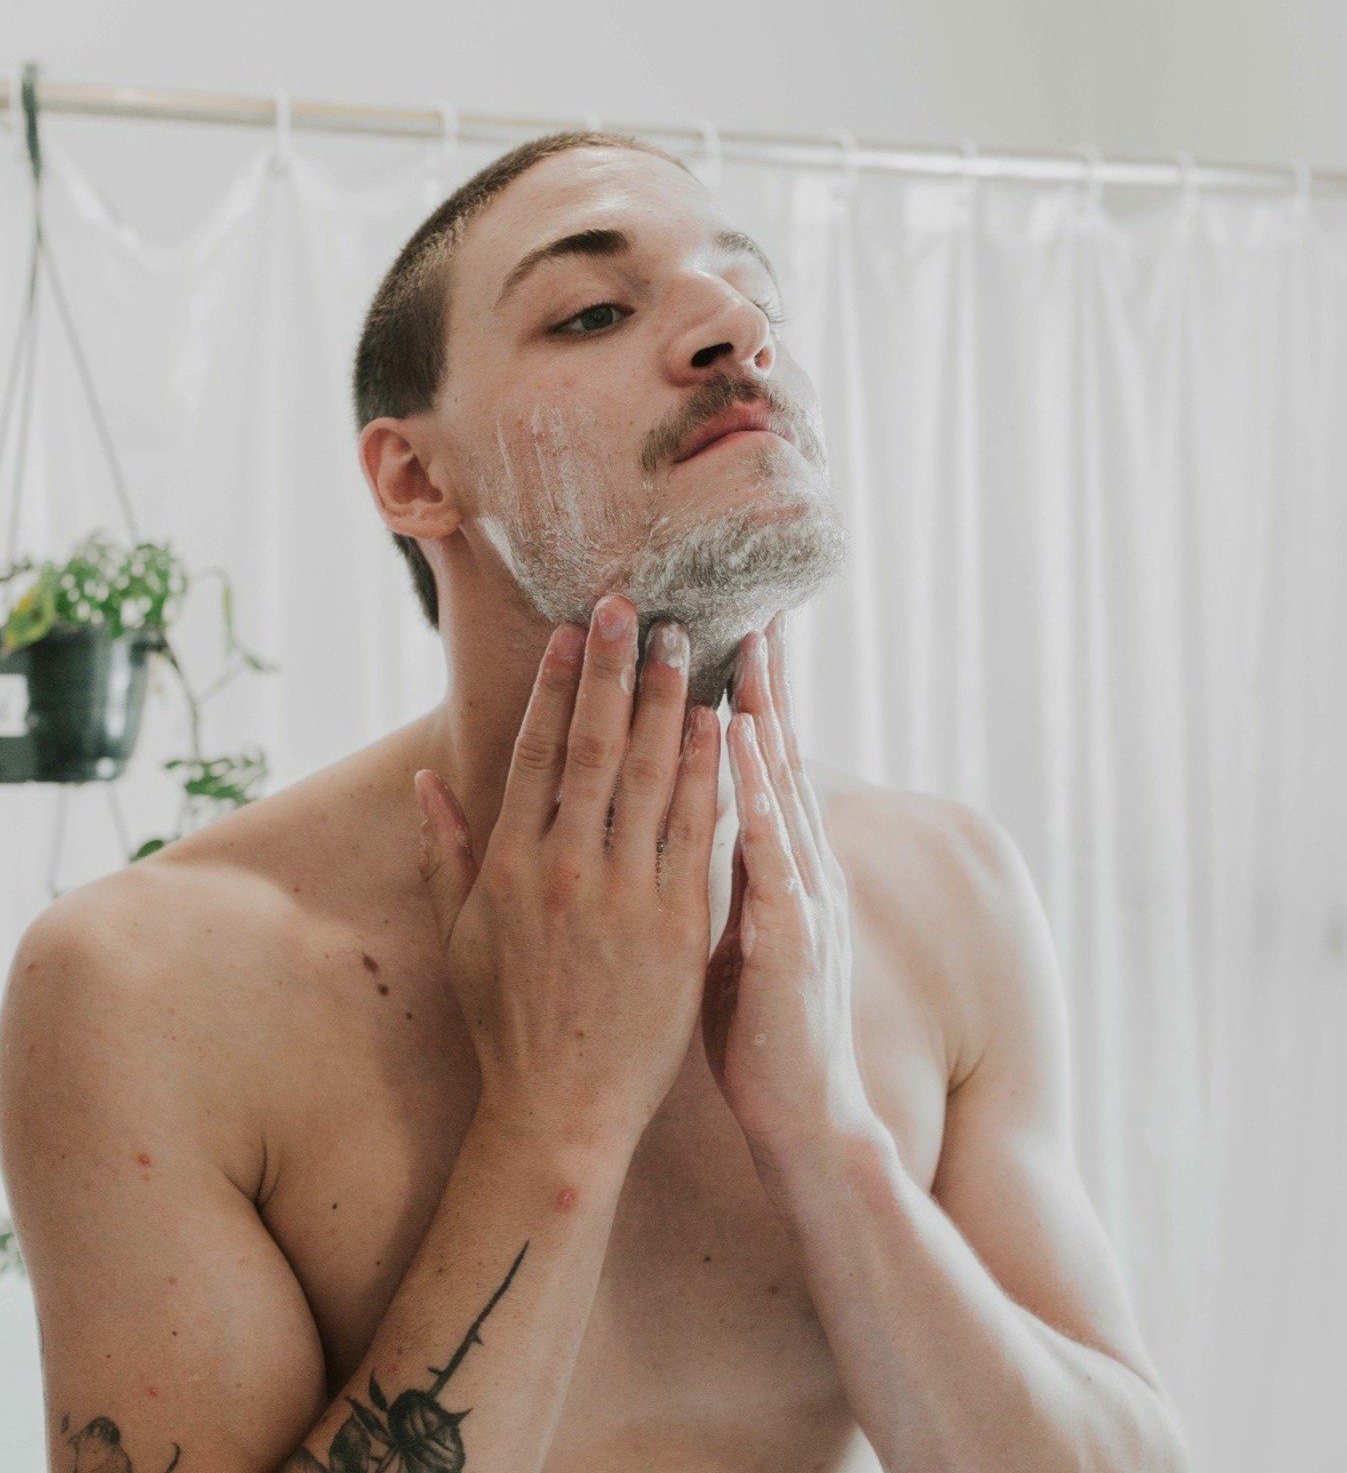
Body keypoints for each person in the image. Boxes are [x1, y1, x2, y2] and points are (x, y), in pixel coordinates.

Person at [0, 131, 1189, 1472]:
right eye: (595, 311)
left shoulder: (947, 891)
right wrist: (553, 1122)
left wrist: (828, 1137)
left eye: (754, 301)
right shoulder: (149, 982)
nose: (736, 331)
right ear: (414, 477)